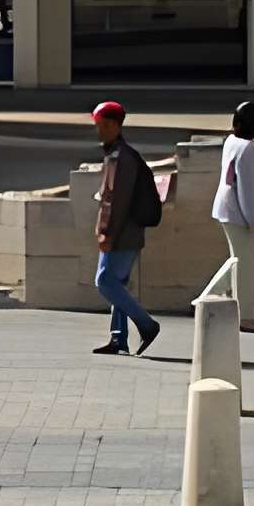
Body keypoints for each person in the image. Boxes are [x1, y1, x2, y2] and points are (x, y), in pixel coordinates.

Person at [91, 100, 163, 357]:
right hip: (121, 233)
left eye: (102, 125)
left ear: (114, 125)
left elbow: (117, 201)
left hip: (123, 234)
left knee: (105, 282)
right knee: (117, 284)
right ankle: (118, 338)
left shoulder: (122, 158)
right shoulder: (116, 153)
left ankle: (147, 325)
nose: (98, 131)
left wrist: (107, 234)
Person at [203, 99, 254, 333]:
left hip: (229, 210)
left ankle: (221, 303)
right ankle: (244, 315)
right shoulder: (247, 149)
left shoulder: (232, 142)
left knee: (238, 262)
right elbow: (248, 189)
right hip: (241, 215)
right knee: (244, 266)